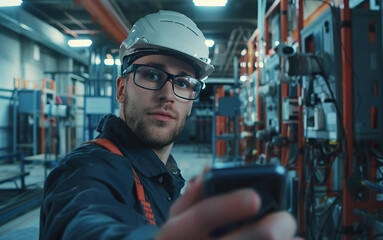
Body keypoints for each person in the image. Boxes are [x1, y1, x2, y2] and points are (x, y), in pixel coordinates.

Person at [39, 10, 297, 240]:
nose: (168, 94)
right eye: (152, 75)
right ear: (121, 89)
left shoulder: (164, 175)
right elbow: (84, 223)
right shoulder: (86, 169)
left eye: (183, 82)